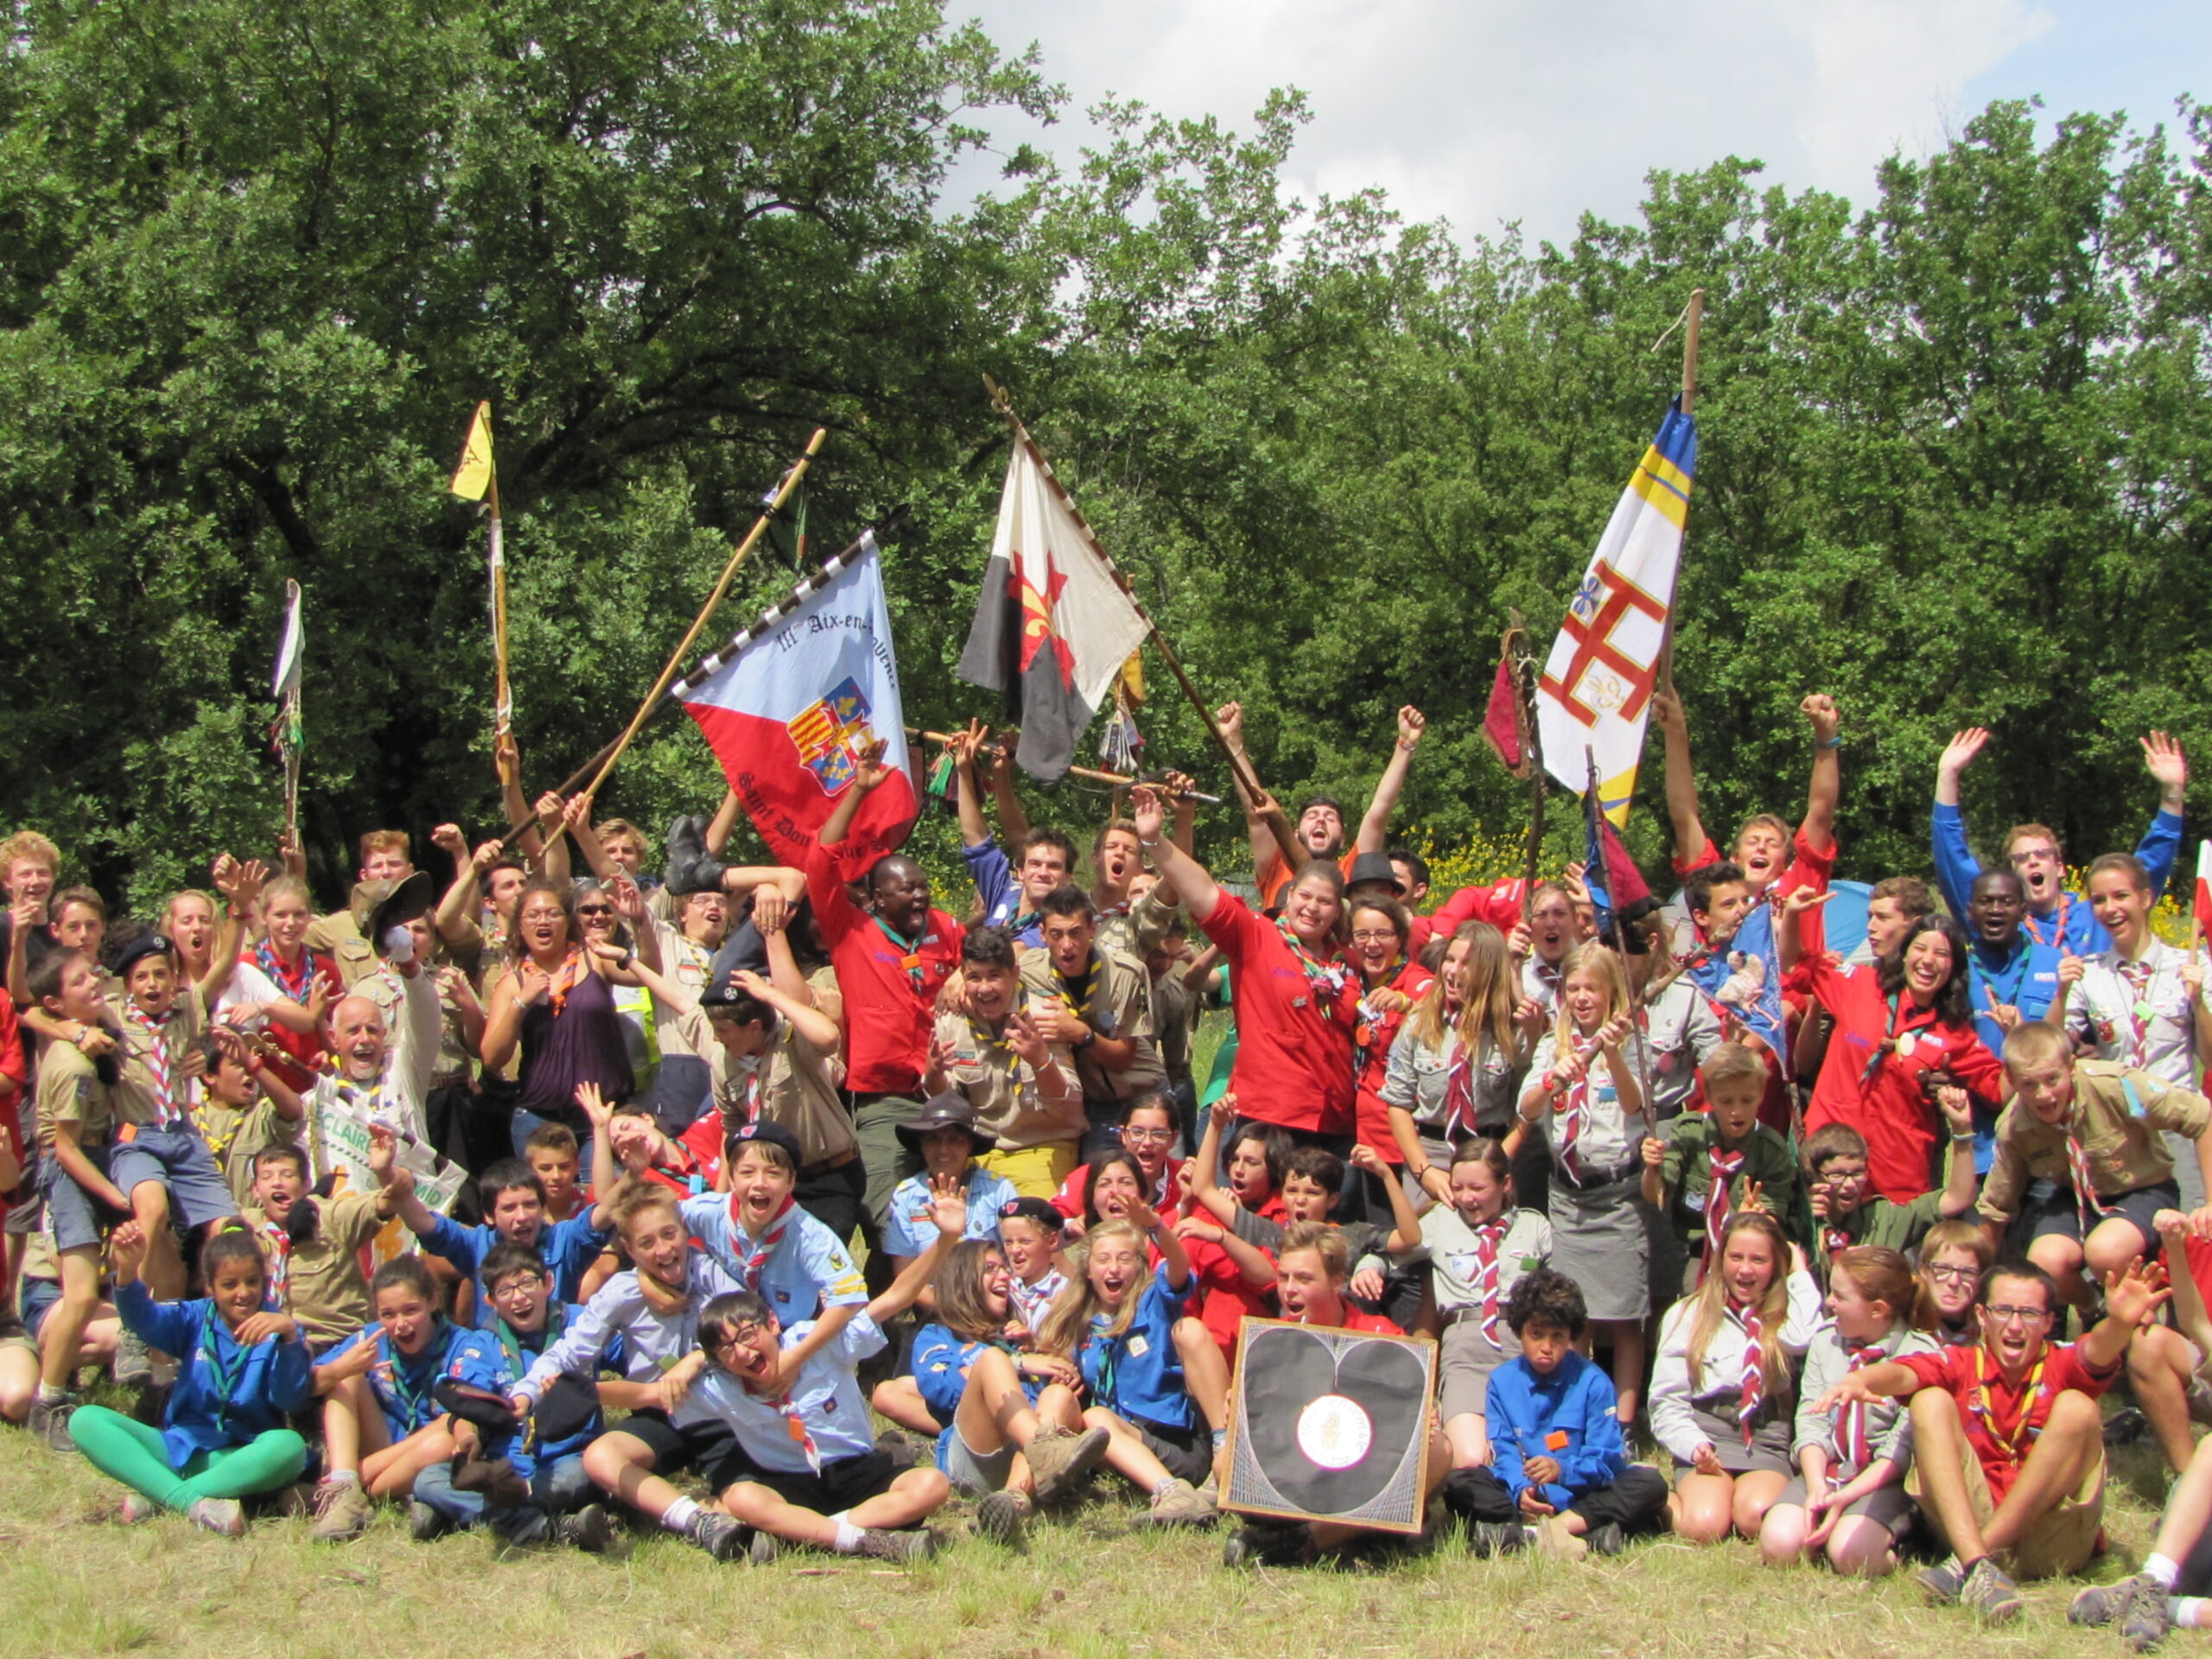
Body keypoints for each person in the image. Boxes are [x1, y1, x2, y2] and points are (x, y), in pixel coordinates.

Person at [1817, 1258, 2167, 1620]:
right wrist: (1864, 1380)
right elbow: (1905, 1374)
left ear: (2048, 1322)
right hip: (1972, 1521)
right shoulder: (1961, 1362)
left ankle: (1971, 1565)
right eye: (2003, 1311)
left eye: (2030, 1314)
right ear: (1982, 1316)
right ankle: (1978, 1563)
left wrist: (2121, 1324)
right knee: (1929, 1400)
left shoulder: (2059, 1363)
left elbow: (2096, 1352)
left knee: (2079, 1408)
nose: (2015, 1325)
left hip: (2050, 1537)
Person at [686, 1175, 969, 1565]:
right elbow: (650, 1393)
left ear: (772, 1324)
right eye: (727, 1348)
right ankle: (861, 1539)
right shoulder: (721, 1382)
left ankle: (807, 1535)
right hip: (790, 1482)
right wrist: (690, 1361)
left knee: (931, 1485)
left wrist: (946, 1241)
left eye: (748, 1335)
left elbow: (894, 1299)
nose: (743, 1351)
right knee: (743, 1497)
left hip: (855, 1471)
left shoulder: (815, 1341)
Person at [506, 1177, 751, 1560]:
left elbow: (747, 1322)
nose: (663, 1250)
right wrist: (526, 1393)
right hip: (660, 1415)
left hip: (721, 1413)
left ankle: (684, 1507)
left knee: (748, 1496)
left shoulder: (708, 1272)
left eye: (669, 1235)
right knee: (601, 1458)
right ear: (629, 1250)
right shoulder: (622, 1292)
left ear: (684, 1231)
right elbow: (570, 1354)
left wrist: (698, 1357)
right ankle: (695, 1519)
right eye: (647, 1243)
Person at [799, 745, 964, 1275]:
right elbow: (818, 863)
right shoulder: (852, 930)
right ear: (875, 899)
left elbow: (993, 967)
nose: (918, 896)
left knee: (944, 1211)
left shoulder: (946, 928)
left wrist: (962, 970)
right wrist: (859, 790)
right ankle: (885, 1322)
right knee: (886, 1214)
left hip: (948, 1095)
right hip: (884, 1101)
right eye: (904, 889)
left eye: (922, 886)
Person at [1133, 783, 1359, 1148]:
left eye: (1325, 902)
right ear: (1288, 899)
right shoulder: (1258, 936)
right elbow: (1204, 891)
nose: (1312, 908)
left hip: (1335, 1125)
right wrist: (1156, 841)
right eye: (1304, 896)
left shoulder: (1348, 961)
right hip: (1266, 1120)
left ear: (1338, 911)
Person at [1220, 1220, 1453, 1568]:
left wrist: (1423, 1416)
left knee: (1439, 1450)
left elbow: (1404, 1415)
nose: (1290, 1290)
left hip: (1363, 1468)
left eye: (1304, 1279)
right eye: (1284, 1277)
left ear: (1336, 1282)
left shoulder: (1380, 1336)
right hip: (1298, 1466)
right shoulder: (1270, 1341)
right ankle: (1348, 1535)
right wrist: (1240, 1406)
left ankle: (1307, 1540)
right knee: (1222, 1462)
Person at [69, 1221, 310, 1535]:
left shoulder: (281, 1329)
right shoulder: (194, 1317)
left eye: (252, 1282)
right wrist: (127, 1273)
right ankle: (195, 1503)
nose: (243, 1294)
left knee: (290, 1447)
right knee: (85, 1420)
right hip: (181, 1448)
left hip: (241, 1458)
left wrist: (289, 1336)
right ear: (209, 1287)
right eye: (229, 1284)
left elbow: (290, 1399)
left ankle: (160, 1496)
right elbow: (145, 1320)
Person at [1977, 1022, 2211, 1315]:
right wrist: (1979, 1293)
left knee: (2105, 1250)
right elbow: (1996, 1209)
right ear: (2010, 1079)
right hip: (2076, 1198)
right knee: (2045, 1261)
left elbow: (2202, 1118)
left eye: (2052, 1079)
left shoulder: (2116, 1086)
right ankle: (2094, 1308)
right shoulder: (2015, 1127)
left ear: (2071, 1066)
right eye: (2029, 1084)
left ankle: (2143, 1316)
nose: (2043, 1095)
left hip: (2142, 1188)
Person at [1436, 1267, 1669, 1560]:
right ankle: (1586, 1532)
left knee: (1650, 1485)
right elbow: (1503, 1450)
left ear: (1572, 1336)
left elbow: (1606, 1456)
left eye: (1557, 1337)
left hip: (1581, 1494)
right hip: (1527, 1495)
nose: (1546, 1347)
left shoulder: (1594, 1382)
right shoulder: (1501, 1381)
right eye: (1537, 1334)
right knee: (1461, 1484)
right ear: (1520, 1332)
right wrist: (1522, 1492)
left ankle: (1538, 1531)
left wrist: (1563, 1470)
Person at [1784, 898, 2005, 1205]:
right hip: (1829, 1162)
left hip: (1895, 1177)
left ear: (1953, 967)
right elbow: (1795, 964)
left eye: (1941, 953)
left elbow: (1999, 1090)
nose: (1928, 960)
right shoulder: (1859, 984)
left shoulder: (1955, 1033)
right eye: (1920, 948)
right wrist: (1794, 914)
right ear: (1904, 954)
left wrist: (2017, 1039)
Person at [1518, 942, 1650, 1421]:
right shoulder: (1555, 1046)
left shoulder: (1632, 1039)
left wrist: (1611, 1054)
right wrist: (1553, 1079)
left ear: (1610, 991)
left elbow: (1636, 1105)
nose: (1581, 997)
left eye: (1591, 988)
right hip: (1568, 1200)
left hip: (1616, 1198)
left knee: (1624, 1314)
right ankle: (1582, 1412)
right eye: (1572, 988)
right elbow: (1527, 1108)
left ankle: (1625, 1419)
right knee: (1578, 1313)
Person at [910, 1238, 1109, 1543]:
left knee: (1059, 1397)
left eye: (1004, 1269)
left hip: (1021, 1462)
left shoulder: (1017, 1335)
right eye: (990, 1269)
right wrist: (1017, 1363)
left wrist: (1057, 1372)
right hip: (975, 1458)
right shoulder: (937, 1334)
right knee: (992, 1360)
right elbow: (941, 1389)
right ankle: (1043, 1449)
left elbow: (1047, 1402)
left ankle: (1013, 1499)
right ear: (962, 1280)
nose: (1005, 1275)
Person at [1758, 1246, 1940, 1577]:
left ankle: (1900, 1539)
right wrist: (1817, 1488)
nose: (1829, 1303)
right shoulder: (1826, 1341)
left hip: (1883, 1482)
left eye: (1840, 1297)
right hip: (1830, 1471)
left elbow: (1897, 1455)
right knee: (1778, 1545)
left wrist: (1847, 1498)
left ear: (1878, 1310)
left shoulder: (1920, 1356)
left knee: (1851, 1556)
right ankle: (1830, 1522)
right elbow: (1810, 1421)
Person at [1932, 726, 2187, 956]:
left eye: (2042, 854)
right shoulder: (1997, 919)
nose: (2033, 862)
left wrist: (2172, 792)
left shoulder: (2098, 914)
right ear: (2011, 874)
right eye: (2021, 858)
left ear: (2060, 867)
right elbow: (1953, 863)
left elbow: (2148, 867)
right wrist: (1947, 775)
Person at [309, 1254, 511, 1543]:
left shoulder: (463, 1345)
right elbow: (305, 1386)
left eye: (410, 1310)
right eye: (388, 1314)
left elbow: (463, 1418)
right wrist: (341, 1368)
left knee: (447, 1431)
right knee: (346, 1375)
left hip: (425, 1459)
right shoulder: (372, 1339)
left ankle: (351, 1488)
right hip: (383, 1446)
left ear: (433, 1301)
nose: (400, 1325)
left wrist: (362, 1470)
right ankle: (346, 1483)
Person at [1650, 1211, 1823, 1545]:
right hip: (1707, 1434)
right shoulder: (1688, 1314)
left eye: (1759, 1260)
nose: (1745, 1270)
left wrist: (1800, 1274)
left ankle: (1734, 1498)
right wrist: (1694, 1445)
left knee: (1757, 1516)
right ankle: (1652, 1498)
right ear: (1720, 1259)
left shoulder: (1786, 1317)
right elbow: (1666, 1400)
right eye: (1736, 1257)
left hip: (1765, 1437)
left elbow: (1805, 1338)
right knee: (1704, 1526)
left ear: (1777, 1266)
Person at [1033, 1217, 1221, 1524]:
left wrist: (1157, 1228)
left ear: (1140, 1267)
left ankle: (1174, 1493)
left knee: (1097, 1420)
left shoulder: (1154, 1302)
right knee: (1087, 1416)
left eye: (1125, 1259)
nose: (1114, 1269)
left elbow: (1178, 1267)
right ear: (1089, 1271)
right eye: (1103, 1259)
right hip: (1124, 1446)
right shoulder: (1081, 1325)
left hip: (1176, 1444)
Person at [28, 947, 134, 1449]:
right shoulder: (71, 1066)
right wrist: (114, 1196)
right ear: (57, 1002)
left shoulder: (90, 1034)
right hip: (73, 1172)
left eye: (93, 975)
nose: (94, 983)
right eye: (81, 982)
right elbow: (64, 1148)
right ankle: (48, 1400)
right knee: (82, 1295)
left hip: (91, 1160)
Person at [2067, 852, 2212, 1209]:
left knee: (2190, 1238)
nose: (2110, 909)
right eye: (2099, 900)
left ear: (2146, 898)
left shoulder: (2191, 965)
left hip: (2178, 1126)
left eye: (2120, 896)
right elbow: (2055, 1050)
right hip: (2121, 1132)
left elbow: (2209, 1059)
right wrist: (2059, 994)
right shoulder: (2089, 975)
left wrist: (2198, 1004)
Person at [1406, 1138, 1552, 1473]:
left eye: (1477, 1187)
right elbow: (1393, 1249)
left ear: (1506, 1184)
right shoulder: (1441, 1220)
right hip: (1466, 1348)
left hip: (1523, 1346)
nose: (1466, 1198)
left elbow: (1562, 1291)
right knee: (1471, 1459)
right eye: (1458, 1187)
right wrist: (1371, 1267)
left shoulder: (1534, 1226)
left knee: (1530, 1455)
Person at [481, 877, 632, 1164]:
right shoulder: (512, 984)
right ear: (520, 926)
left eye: (553, 913)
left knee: (604, 1204)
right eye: (534, 915)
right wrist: (521, 1002)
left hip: (602, 1117)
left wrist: (642, 923)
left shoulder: (594, 958)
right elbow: (491, 1058)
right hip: (539, 1122)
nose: (544, 921)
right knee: (544, 1208)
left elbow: (647, 971)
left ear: (568, 921)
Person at [927, 925, 1082, 1200]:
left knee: (1032, 1230)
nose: (984, 989)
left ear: (1015, 974)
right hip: (978, 1151)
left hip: (1041, 1146)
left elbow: (1067, 1108)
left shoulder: (1043, 1018)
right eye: (974, 978)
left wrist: (1040, 1060)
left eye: (994, 976)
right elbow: (947, 1104)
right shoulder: (951, 1020)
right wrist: (934, 1074)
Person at [1382, 922, 1533, 1204]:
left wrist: (1496, 1165)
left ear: (1489, 970)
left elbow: (1526, 1111)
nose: (1452, 971)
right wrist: (1424, 1171)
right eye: (1449, 960)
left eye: (1466, 963)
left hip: (1490, 1156)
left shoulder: (1511, 1031)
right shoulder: (1419, 1023)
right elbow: (1397, 1103)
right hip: (1431, 1156)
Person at [1219, 702, 1426, 907]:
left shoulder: (1353, 870)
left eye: (1330, 818)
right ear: (1296, 834)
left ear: (1343, 839)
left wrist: (1405, 746)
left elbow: (1379, 812)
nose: (1320, 819)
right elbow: (1255, 808)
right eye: (1312, 815)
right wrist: (1233, 743)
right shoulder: (1275, 867)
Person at [1655, 687, 1841, 904]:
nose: (1761, 847)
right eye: (1752, 842)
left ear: (1785, 863)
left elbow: (1821, 813)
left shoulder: (1800, 887)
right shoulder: (1714, 888)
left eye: (1772, 844)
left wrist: (1826, 736)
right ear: (1734, 859)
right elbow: (1684, 819)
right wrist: (1675, 731)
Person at [1020, 886, 1162, 1163]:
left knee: (1159, 1184)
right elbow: (991, 972)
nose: (1067, 945)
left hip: (1142, 1093)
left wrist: (1079, 1032)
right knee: (1101, 1188)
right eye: (1056, 934)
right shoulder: (1027, 971)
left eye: (1075, 933)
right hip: (1093, 1104)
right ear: (1043, 935)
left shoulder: (1127, 973)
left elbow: (1124, 1059)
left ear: (1092, 930)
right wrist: (956, 981)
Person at [1645, 1045, 1802, 1294]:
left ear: (1761, 1093)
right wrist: (1651, 1169)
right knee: (1689, 1301)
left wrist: (1750, 1218)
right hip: (1696, 1252)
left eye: (1747, 1100)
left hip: (1749, 1255)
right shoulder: (1689, 1133)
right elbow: (1656, 1194)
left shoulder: (1771, 1149)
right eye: (1726, 1101)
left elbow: (1774, 1214)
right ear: (1708, 1094)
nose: (1737, 1111)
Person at [239, 1140, 396, 1353]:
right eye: (267, 1176)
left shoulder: (331, 1217)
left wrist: (385, 1170)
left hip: (336, 1343)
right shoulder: (245, 1227)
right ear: (255, 1190)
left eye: (287, 1175)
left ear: (305, 1184)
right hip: (272, 1345)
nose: (277, 1183)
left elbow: (391, 1200)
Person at [1801, 1120, 1978, 1287]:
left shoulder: (1883, 1218)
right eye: (1837, 1175)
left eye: (1858, 1173)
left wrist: (1962, 1131)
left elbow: (1958, 1198)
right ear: (1815, 1175)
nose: (1850, 1185)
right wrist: (1804, 1219)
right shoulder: (1800, 1222)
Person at [1345, 890, 1433, 1211]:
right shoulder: (1352, 981)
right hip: (1366, 1135)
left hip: (1408, 1138)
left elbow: (1449, 1009)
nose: (1372, 944)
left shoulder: (1414, 980)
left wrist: (1407, 1005)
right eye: (1362, 935)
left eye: (1383, 934)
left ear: (1400, 939)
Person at [881, 1093, 1018, 1292]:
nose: (943, 1149)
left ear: (970, 1144)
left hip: (993, 1301)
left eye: (955, 1140)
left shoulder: (998, 1189)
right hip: (935, 1309)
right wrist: (951, 1311)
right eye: (933, 1140)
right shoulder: (905, 1196)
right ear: (922, 1145)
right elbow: (904, 1276)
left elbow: (1017, 1261)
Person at [1917, 1220, 1995, 1348]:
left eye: (1967, 1272)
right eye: (1942, 1269)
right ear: (1924, 1271)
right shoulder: (1903, 1321)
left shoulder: (1989, 1335)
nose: (1954, 1282)